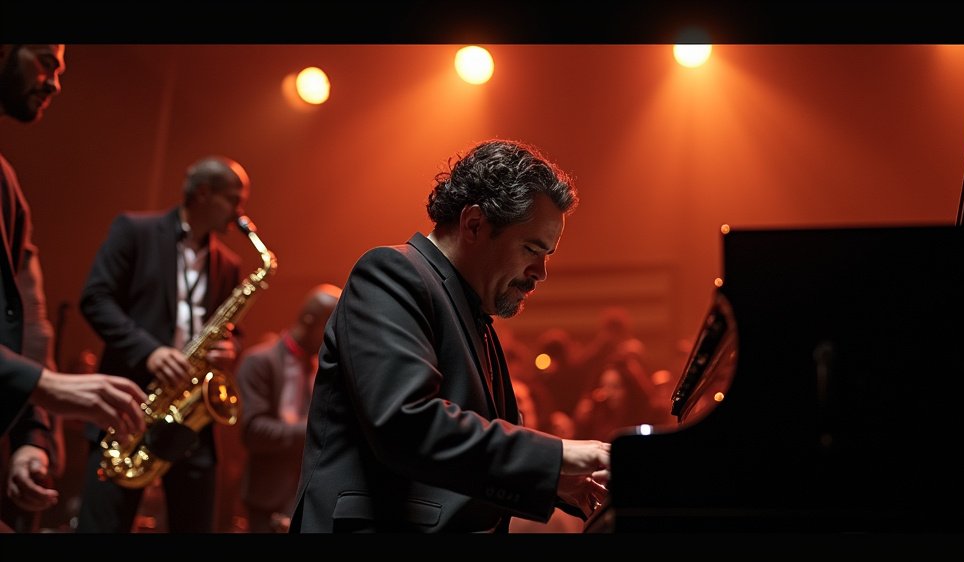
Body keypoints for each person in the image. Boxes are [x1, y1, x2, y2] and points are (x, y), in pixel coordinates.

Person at [291, 139, 610, 533]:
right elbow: (406, 424)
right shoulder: (392, 272)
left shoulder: (472, 308)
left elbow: (464, 457)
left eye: (547, 255)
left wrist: (555, 483)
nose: (540, 272)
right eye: (531, 249)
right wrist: (559, 454)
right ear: (474, 224)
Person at [0, 44, 147, 532]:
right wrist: (45, 386)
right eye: (46, 61)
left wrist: (31, 437)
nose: (56, 83)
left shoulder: (6, 182)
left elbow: (28, 321)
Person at [76, 155, 251, 533]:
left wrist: (230, 348)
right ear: (202, 193)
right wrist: (150, 351)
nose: (240, 213)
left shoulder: (229, 263)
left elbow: (231, 329)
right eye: (233, 200)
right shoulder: (134, 230)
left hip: (190, 413)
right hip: (131, 403)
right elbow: (96, 299)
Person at [236, 283, 342, 533]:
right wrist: (320, 429)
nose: (335, 335)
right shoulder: (259, 362)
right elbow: (253, 431)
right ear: (309, 320)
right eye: (330, 325)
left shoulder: (326, 364)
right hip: (269, 498)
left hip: (315, 496)